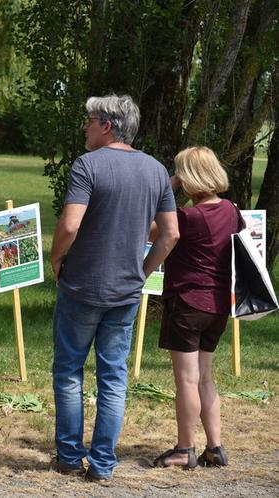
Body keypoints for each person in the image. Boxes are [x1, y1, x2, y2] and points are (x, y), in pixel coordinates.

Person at [49, 94, 180, 484]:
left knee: (70, 370)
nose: (85, 127)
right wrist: (143, 270)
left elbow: (71, 225)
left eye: (89, 120)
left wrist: (55, 259)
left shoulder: (88, 165)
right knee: (113, 375)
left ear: (107, 124)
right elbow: (170, 233)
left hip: (80, 286)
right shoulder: (156, 171)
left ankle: (70, 456)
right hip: (125, 291)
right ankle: (103, 462)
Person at [152, 147, 238, 469]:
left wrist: (167, 186)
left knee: (186, 381)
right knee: (204, 377)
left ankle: (184, 449)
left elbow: (151, 231)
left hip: (187, 303)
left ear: (188, 177)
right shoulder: (230, 210)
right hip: (217, 306)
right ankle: (214, 447)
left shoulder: (189, 217)